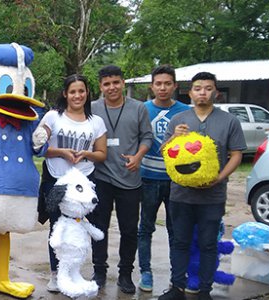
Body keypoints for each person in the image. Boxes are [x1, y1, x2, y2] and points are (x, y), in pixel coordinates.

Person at [158, 72, 246, 300]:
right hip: (181, 195)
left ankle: (204, 291)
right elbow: (164, 153)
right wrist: (172, 138)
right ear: (190, 92)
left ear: (216, 92)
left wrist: (219, 177)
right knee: (180, 242)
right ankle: (177, 287)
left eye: (208, 88)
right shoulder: (179, 120)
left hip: (213, 196)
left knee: (208, 244)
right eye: (198, 88)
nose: (203, 93)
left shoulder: (229, 121)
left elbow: (236, 155)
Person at [36, 74, 107, 292]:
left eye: (82, 91)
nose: (78, 95)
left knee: (86, 227)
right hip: (56, 182)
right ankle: (56, 273)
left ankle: (78, 271)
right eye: (73, 91)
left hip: (85, 183)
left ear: (87, 93)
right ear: (65, 94)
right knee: (57, 229)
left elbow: (102, 154)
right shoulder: (52, 117)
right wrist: (61, 152)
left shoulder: (96, 122)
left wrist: (87, 154)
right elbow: (39, 147)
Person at [88, 65, 152, 294]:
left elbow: (147, 136)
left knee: (129, 230)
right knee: (98, 227)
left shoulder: (138, 108)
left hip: (130, 179)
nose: (112, 87)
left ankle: (125, 273)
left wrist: (138, 156)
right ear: (100, 86)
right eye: (106, 84)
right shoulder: (93, 108)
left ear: (123, 83)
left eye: (116, 82)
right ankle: (99, 271)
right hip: (100, 178)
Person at [137, 65, 190, 292]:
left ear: (175, 86)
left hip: (175, 180)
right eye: (158, 83)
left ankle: (176, 274)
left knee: (176, 229)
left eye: (167, 83)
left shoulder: (185, 111)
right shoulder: (142, 110)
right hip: (147, 177)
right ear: (152, 86)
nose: (162, 88)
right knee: (145, 227)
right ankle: (145, 272)